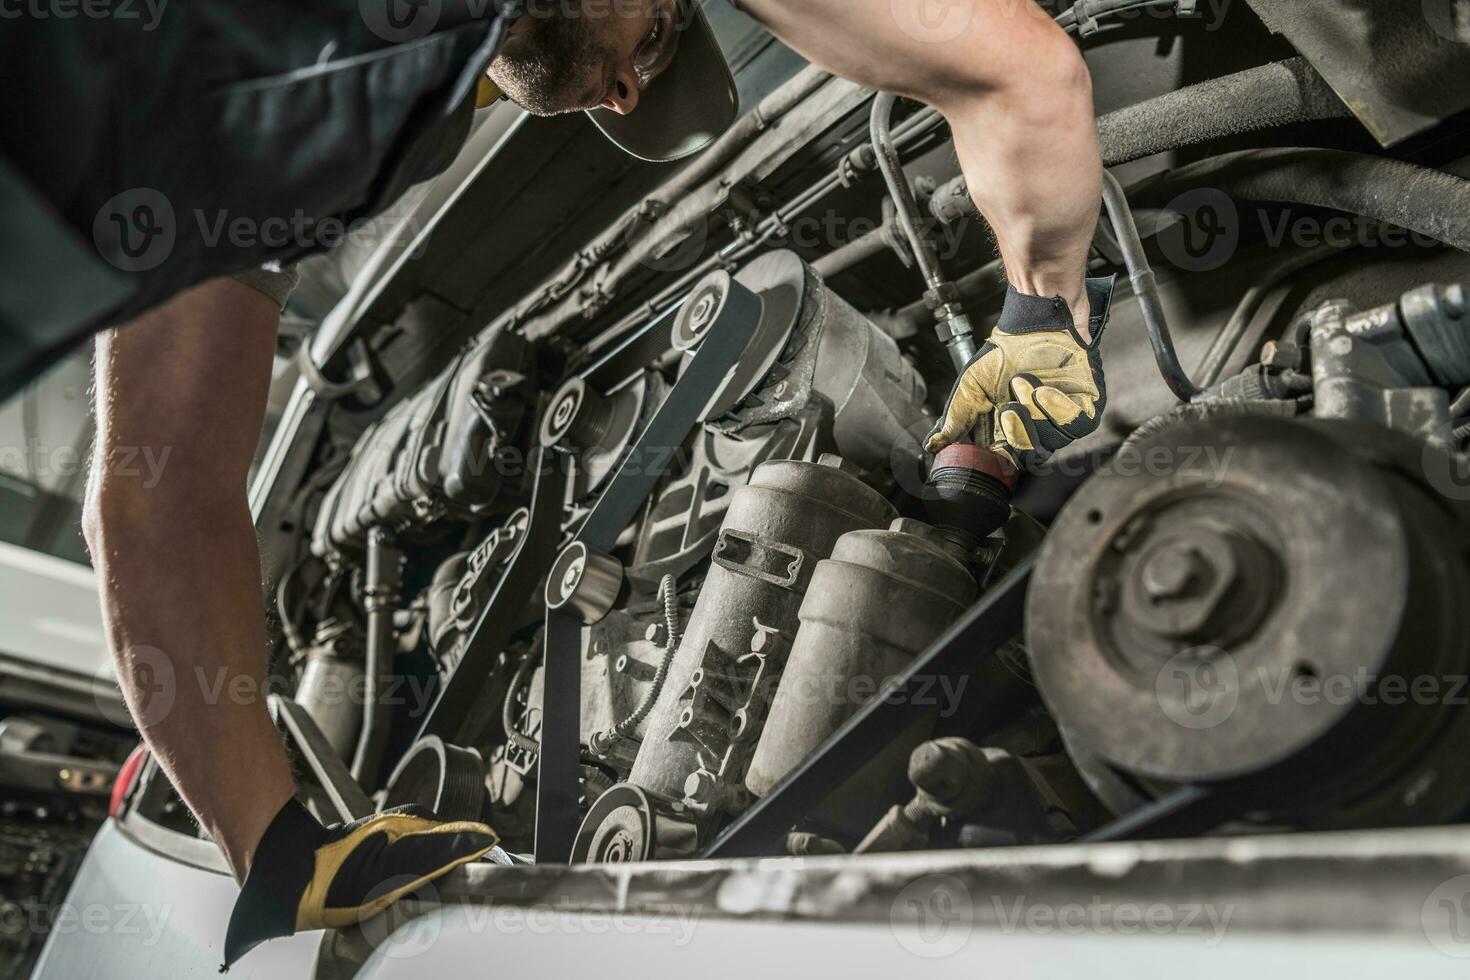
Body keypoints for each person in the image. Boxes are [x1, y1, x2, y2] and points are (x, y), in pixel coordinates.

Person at [22, 0, 1109, 966]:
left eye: (630, 86)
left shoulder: (308, 140)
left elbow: (156, 492)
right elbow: (1014, 69)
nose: (629, 84)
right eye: (665, 28)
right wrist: (1038, 317)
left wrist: (278, 847)